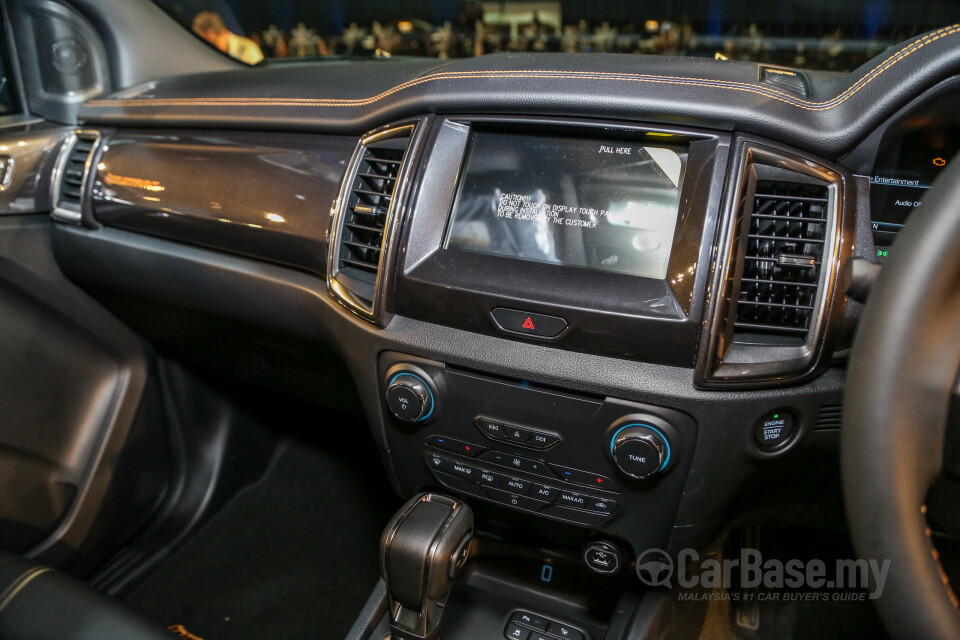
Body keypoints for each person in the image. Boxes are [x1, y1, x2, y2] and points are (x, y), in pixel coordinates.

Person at [192, 11, 264, 65]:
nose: (208, 49)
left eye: (213, 44)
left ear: (223, 32)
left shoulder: (248, 51)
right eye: (203, 45)